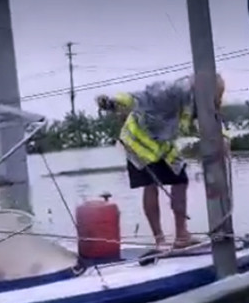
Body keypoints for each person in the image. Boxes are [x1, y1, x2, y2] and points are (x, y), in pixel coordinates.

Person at [96, 74, 227, 249]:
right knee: (151, 186)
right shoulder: (171, 91)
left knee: (181, 181)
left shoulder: (199, 102)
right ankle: (160, 240)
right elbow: (139, 97)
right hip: (138, 141)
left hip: (164, 144)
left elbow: (211, 119)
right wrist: (113, 102)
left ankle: (182, 235)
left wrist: (223, 138)